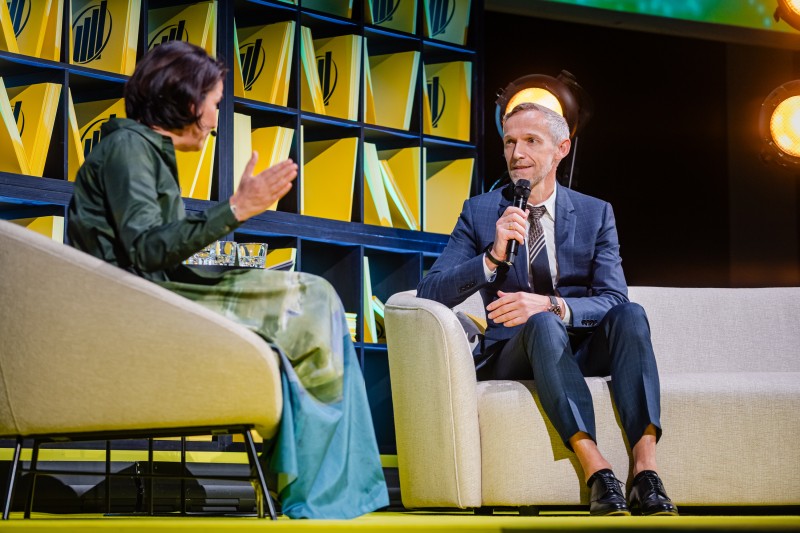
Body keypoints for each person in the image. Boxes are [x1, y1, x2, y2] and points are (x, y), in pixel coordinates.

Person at [67, 41, 389, 519]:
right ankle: (321, 492)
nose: (217, 119)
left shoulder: (140, 150)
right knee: (312, 299)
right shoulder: (129, 149)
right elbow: (146, 250)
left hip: (150, 299)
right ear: (187, 102)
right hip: (140, 309)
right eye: (215, 104)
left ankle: (317, 487)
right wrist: (236, 208)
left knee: (313, 300)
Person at [416, 102, 678, 517]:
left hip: (580, 345)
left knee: (631, 315)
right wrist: (491, 257)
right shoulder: (480, 211)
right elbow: (430, 292)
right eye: (509, 142)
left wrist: (553, 305)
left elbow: (614, 299)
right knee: (541, 324)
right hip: (515, 351)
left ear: (561, 149)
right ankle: (598, 469)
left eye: (530, 141)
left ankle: (646, 471)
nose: (517, 153)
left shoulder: (595, 213)